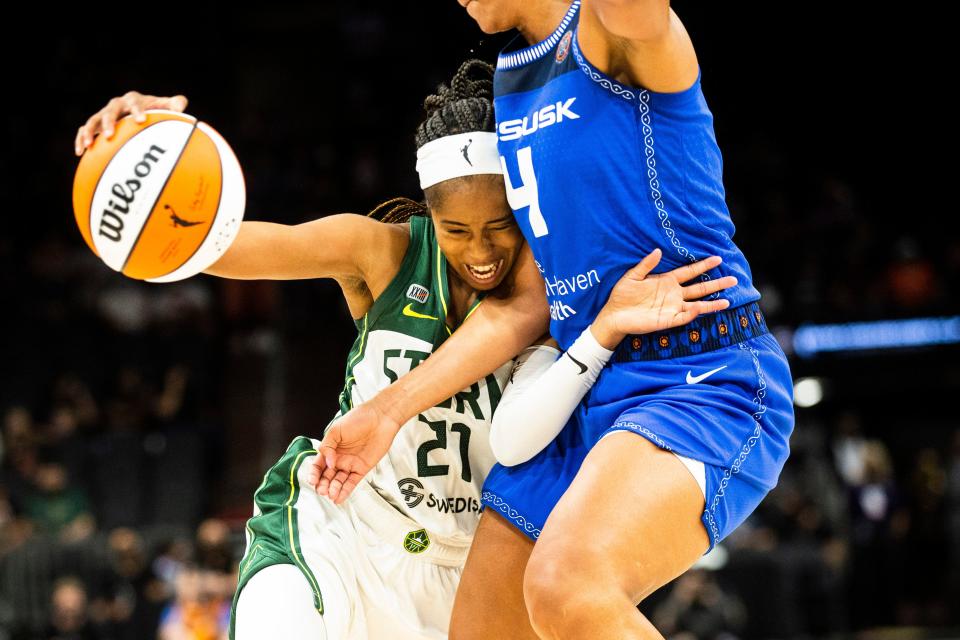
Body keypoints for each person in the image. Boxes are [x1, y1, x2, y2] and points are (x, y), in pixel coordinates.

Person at [75, 60, 734, 639]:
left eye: (499, 228)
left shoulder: (558, 289)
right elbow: (216, 245)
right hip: (341, 538)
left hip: (471, 577)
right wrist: (148, 153)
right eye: (456, 230)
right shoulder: (382, 254)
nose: (480, 252)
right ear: (428, 214)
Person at [310, 3, 796, 639]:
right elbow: (521, 308)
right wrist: (386, 410)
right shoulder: (512, 74)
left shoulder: (610, 30)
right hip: (587, 386)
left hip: (696, 371)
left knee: (568, 587)